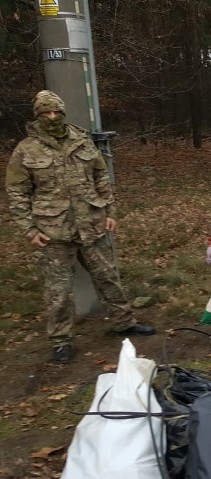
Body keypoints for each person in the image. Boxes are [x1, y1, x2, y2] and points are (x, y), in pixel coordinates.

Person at [5, 90, 156, 364]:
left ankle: (124, 322)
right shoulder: (26, 150)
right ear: (37, 115)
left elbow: (101, 175)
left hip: (92, 225)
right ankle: (61, 339)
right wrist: (29, 229)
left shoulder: (82, 141)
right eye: (45, 113)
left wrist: (109, 209)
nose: (52, 117)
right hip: (54, 232)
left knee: (108, 277)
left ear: (63, 112)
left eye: (56, 112)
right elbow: (16, 192)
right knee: (58, 291)